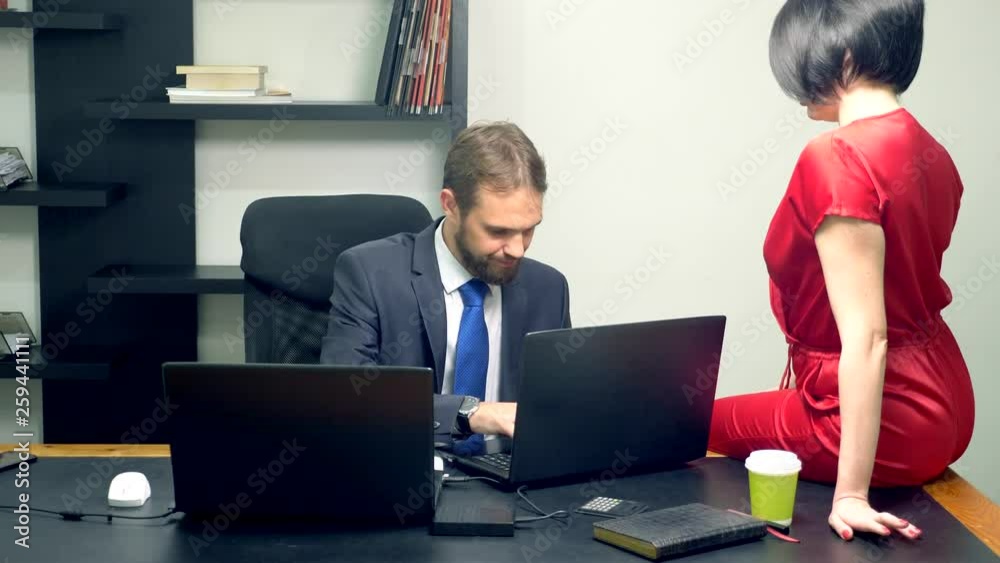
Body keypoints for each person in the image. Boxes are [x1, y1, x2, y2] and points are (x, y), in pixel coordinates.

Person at [708, 0, 973, 542]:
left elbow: (869, 337)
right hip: (946, 405)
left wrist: (850, 494)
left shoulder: (835, 157)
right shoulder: (931, 150)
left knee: (687, 422)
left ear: (844, 56)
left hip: (887, 418)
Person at [320, 121, 571, 445]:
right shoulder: (370, 274)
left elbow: (559, 407)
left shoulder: (548, 288)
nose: (518, 249)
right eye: (498, 231)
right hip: (409, 476)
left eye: (528, 229)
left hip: (512, 484)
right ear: (451, 205)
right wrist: (473, 413)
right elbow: (345, 397)